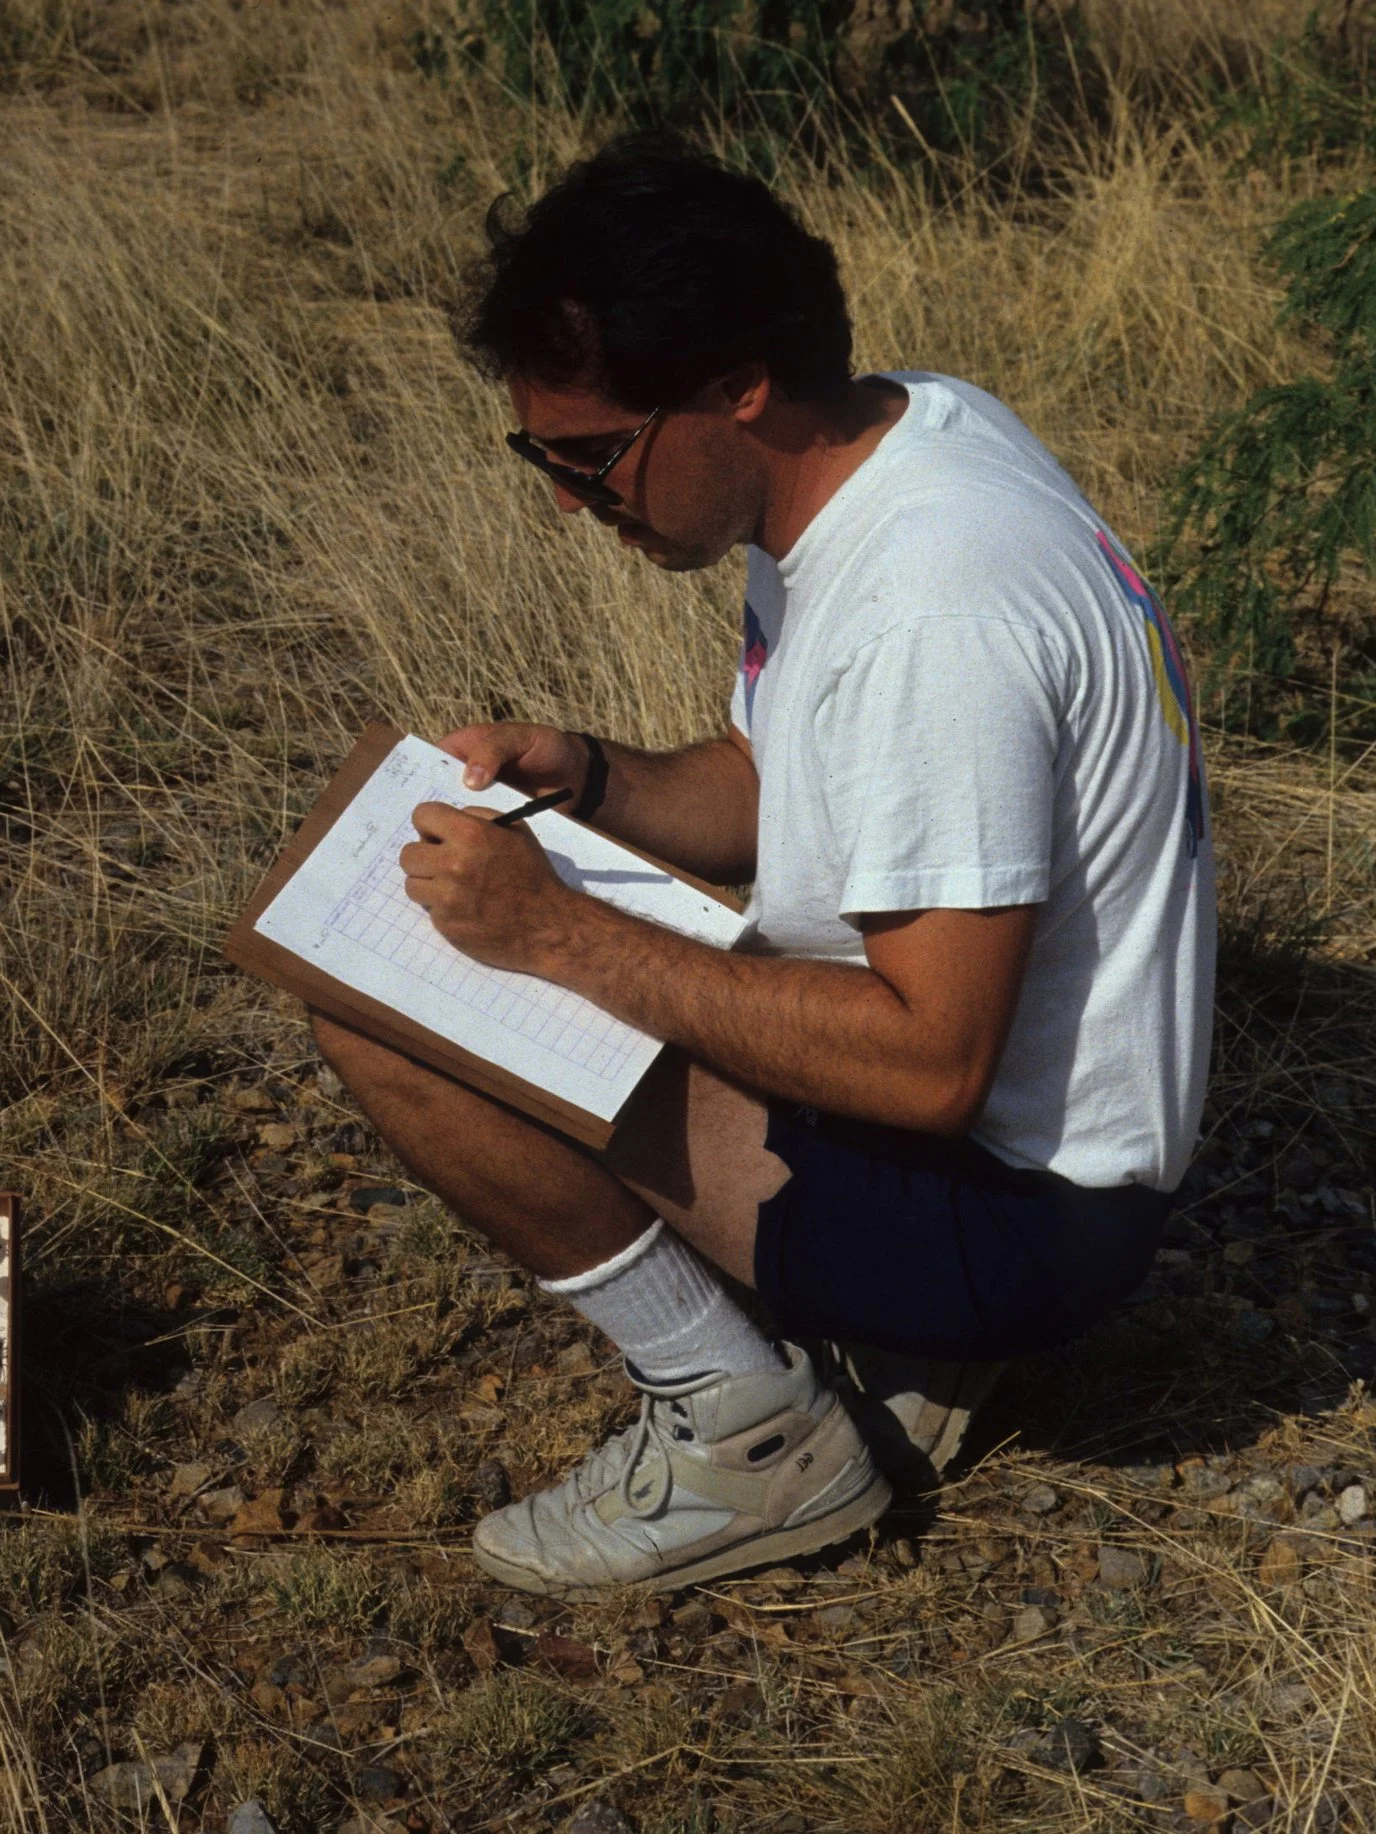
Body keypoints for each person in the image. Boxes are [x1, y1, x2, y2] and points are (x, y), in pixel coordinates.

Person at [309, 137, 1216, 1599]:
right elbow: (774, 783)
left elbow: (933, 1066)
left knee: (376, 994)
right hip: (1008, 1153)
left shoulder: (935, 610)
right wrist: (593, 775)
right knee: (462, 943)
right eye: (539, 456)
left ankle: (745, 1427)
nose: (564, 502)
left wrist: (563, 939)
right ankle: (896, 1343)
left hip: (1014, 1207)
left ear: (738, 386)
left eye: (590, 456)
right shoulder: (897, 448)